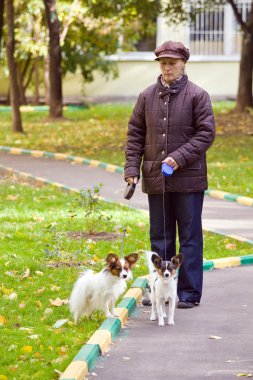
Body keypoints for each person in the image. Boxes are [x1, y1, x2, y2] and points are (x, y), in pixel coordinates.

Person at [124, 41, 215, 309]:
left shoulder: (198, 95)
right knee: (160, 237)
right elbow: (135, 136)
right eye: (163, 63)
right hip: (156, 178)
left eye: (172, 63)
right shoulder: (146, 96)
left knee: (189, 237)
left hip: (189, 180)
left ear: (183, 64)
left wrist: (179, 157)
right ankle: (160, 292)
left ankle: (187, 293)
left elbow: (206, 134)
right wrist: (131, 170)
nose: (167, 68)